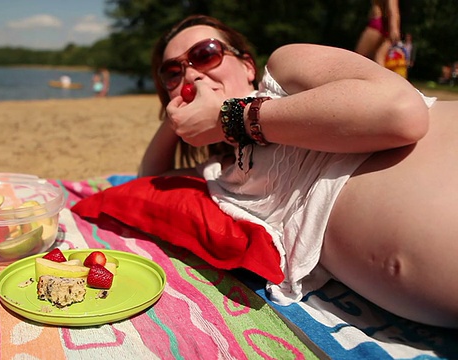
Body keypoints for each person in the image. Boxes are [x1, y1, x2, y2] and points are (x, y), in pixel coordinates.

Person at [139, 14, 458, 328]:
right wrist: (177, 113)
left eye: (204, 54)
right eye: (172, 72)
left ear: (247, 65)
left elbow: (400, 112)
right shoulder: (221, 177)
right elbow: (147, 186)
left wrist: (233, 117)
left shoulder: (283, 72)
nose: (191, 74)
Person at [355, 0, 401, 67]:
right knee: (378, 59)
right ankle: (383, 77)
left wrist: (394, 28)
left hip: (378, 24)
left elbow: (393, 8)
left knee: (357, 58)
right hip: (384, 26)